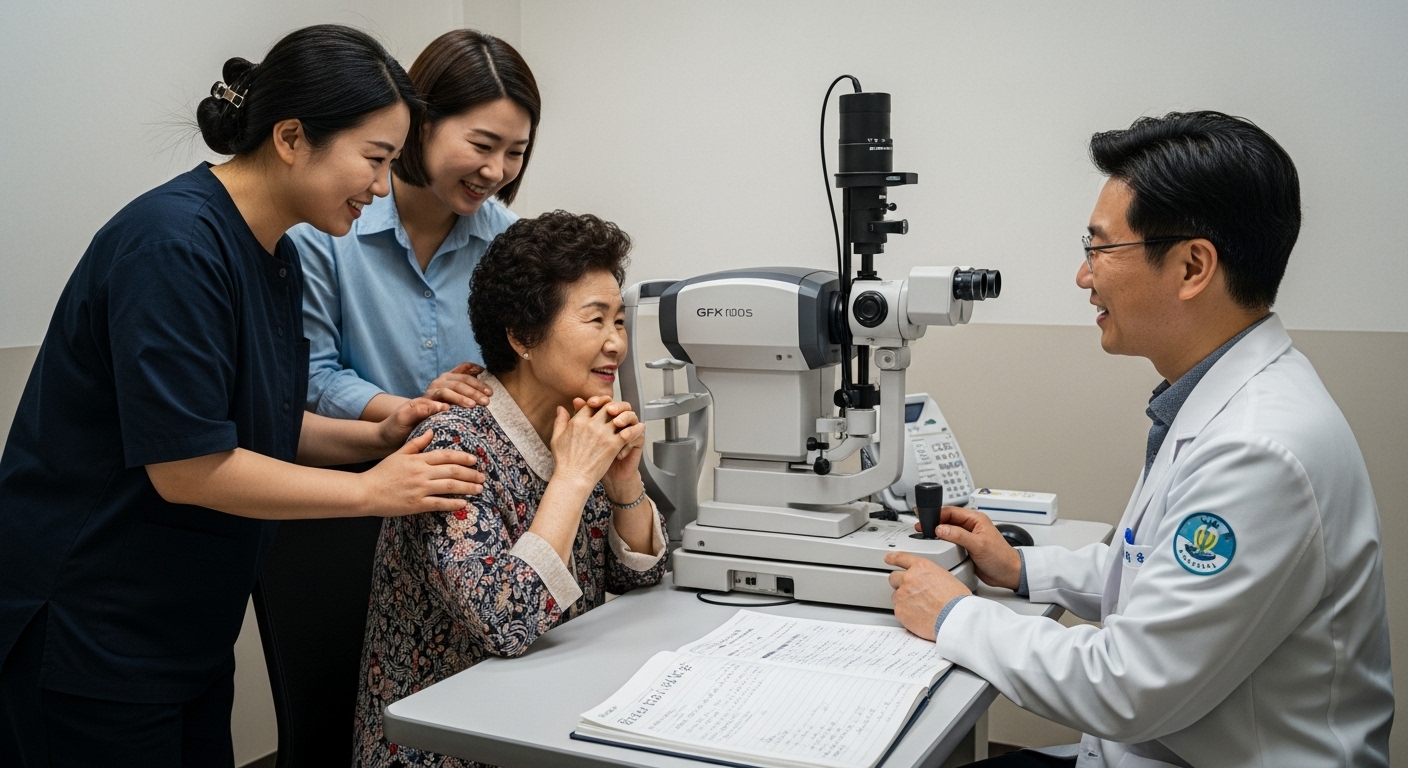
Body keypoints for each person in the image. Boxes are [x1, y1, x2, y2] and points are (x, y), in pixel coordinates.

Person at [0, 25, 488, 766]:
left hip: (182, 627)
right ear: (293, 137)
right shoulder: (173, 246)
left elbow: (261, 423)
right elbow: (189, 464)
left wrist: (378, 437)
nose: (383, 187)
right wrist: (373, 493)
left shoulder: (276, 254)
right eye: (376, 159)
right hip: (92, 626)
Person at [886, 112, 1392, 767]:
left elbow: (1128, 687)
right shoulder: (1224, 400)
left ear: (1192, 266)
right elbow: (1160, 574)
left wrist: (955, 616)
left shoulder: (1258, 450)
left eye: (1100, 248)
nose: (1083, 275)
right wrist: (1026, 568)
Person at [354, 211, 667, 768]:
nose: (616, 343)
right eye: (595, 320)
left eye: (619, 321)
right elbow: (506, 620)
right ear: (522, 336)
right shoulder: (453, 442)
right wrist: (572, 478)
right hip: (446, 743)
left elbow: (637, 577)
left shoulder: (578, 422)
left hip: (551, 707)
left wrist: (622, 480)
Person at [295, 29, 540, 421]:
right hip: (355, 469)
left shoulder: (511, 243)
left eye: (515, 152)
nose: (496, 171)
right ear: (421, 124)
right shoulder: (324, 232)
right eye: (481, 146)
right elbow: (311, 378)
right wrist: (419, 410)